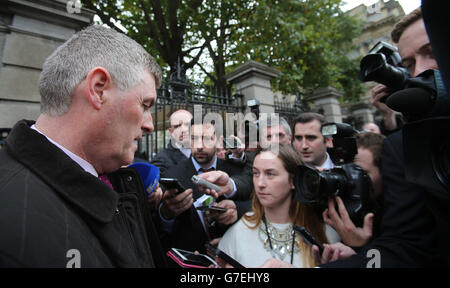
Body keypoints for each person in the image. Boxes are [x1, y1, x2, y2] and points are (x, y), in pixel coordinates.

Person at [0, 25, 166, 267]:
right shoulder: (12, 218)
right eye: (145, 104)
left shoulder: (116, 180)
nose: (150, 124)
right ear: (98, 89)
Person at [318, 7, 441, 267]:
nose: (419, 72)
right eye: (408, 64)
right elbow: (405, 249)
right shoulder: (403, 148)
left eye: (432, 52)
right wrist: (366, 252)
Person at [218, 145, 340, 268]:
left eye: (270, 174)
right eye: (255, 173)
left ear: (293, 181)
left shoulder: (323, 233)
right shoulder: (238, 233)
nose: (260, 183)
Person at [157, 121, 246, 255]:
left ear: (217, 140)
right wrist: (166, 214)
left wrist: (237, 210)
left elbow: (254, 204)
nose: (199, 146)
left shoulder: (237, 172)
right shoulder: (172, 174)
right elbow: (160, 229)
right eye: (194, 139)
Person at [322, 132, 385, 248]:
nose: (351, 179)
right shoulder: (333, 208)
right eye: (346, 171)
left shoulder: (397, 216)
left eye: (360, 173)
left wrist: (359, 245)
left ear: (384, 173)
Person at [151, 109, 192, 176]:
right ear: (171, 132)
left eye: (187, 124)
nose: (183, 130)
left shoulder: (210, 153)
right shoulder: (161, 161)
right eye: (177, 126)